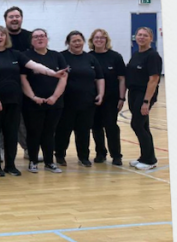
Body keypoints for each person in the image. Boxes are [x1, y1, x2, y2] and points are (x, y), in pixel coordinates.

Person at [0, 25, 67, 177]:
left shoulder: (15, 54)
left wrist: (53, 74)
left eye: (2, 34)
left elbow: (35, 65)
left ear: (6, 38)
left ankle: (10, 165)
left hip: (14, 101)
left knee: (11, 134)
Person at [19, 29, 68, 173]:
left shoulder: (57, 56)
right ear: (31, 40)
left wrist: (54, 97)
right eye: (36, 37)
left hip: (55, 103)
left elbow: (63, 77)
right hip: (33, 103)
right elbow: (23, 79)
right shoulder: (26, 56)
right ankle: (33, 161)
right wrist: (33, 97)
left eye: (42, 36)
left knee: (49, 132)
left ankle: (49, 162)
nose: (39, 39)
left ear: (47, 38)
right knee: (34, 132)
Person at [55, 31, 105, 168]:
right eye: (74, 41)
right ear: (68, 43)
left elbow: (99, 78)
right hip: (66, 103)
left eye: (79, 40)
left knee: (83, 131)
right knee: (64, 131)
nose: (77, 43)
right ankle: (59, 155)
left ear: (83, 41)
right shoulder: (61, 57)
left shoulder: (90, 58)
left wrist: (100, 94)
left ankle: (83, 157)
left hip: (87, 102)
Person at [126, 27, 163, 170]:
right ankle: (144, 157)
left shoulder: (153, 56)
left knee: (137, 125)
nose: (141, 37)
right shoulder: (136, 54)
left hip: (144, 94)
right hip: (134, 93)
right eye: (139, 35)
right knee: (143, 126)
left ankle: (149, 160)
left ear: (151, 38)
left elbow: (153, 79)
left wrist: (146, 101)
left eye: (145, 35)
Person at [89, 28, 127, 166]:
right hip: (94, 99)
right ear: (92, 40)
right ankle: (100, 153)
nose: (99, 40)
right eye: (96, 38)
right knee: (96, 127)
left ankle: (116, 155)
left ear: (106, 40)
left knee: (111, 127)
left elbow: (122, 79)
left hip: (111, 99)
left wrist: (122, 98)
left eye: (102, 38)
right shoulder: (89, 57)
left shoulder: (115, 57)